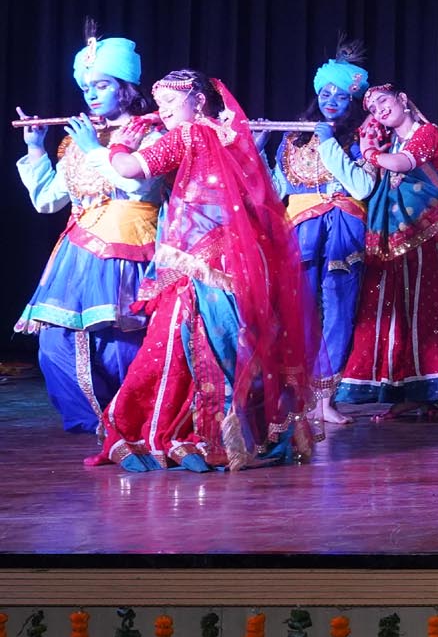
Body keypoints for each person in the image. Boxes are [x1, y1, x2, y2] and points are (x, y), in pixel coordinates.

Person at [97, 71, 315, 470]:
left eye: (170, 103)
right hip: (243, 260)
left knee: (180, 340)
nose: (163, 111)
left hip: (199, 263)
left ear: (198, 101)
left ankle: (202, 432)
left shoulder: (188, 135)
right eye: (158, 104)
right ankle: (249, 433)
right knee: (239, 338)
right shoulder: (234, 135)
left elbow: (130, 169)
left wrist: (122, 141)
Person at [14, 28, 165, 439]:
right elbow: (47, 201)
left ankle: (132, 416)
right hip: (78, 249)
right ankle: (93, 420)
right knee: (55, 343)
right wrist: (36, 148)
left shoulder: (150, 134)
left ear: (125, 87)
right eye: (86, 88)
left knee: (120, 340)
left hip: (129, 244)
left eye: (101, 85)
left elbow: (138, 187)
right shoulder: (80, 140)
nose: (92, 96)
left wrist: (95, 149)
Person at [328, 86, 438, 415]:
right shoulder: (392, 143)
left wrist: (369, 153)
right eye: (372, 107)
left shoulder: (427, 133)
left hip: (433, 238)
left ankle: (433, 390)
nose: (379, 110)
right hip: (400, 244)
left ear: (402, 99)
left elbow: (402, 163)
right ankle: (408, 392)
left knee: (428, 314)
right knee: (401, 315)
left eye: (383, 101)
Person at [267, 43, 371, 425]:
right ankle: (299, 395)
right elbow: (273, 190)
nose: (331, 102)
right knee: (300, 312)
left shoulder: (362, 137)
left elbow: (361, 186)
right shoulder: (293, 138)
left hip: (342, 228)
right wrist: (256, 149)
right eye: (325, 94)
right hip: (302, 230)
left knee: (339, 310)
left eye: (340, 96)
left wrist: (328, 140)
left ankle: (325, 399)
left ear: (352, 102)